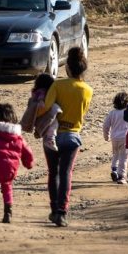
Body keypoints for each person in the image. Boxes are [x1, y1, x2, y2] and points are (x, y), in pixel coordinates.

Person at [38, 46, 92, 226]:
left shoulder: (58, 84)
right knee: (66, 172)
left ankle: (53, 210)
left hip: (52, 136)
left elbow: (46, 106)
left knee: (53, 173)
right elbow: (82, 114)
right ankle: (62, 212)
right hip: (72, 136)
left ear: (67, 67)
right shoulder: (88, 90)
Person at [22, 72, 61, 204]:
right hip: (47, 117)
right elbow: (45, 104)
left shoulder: (36, 92)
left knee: (53, 170)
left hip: (41, 121)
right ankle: (50, 139)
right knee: (53, 124)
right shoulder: (45, 93)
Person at [102, 91, 128, 183]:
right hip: (125, 138)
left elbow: (105, 125)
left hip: (114, 138)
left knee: (116, 154)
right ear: (127, 103)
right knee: (124, 157)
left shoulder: (112, 113)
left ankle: (114, 170)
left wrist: (106, 136)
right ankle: (122, 176)